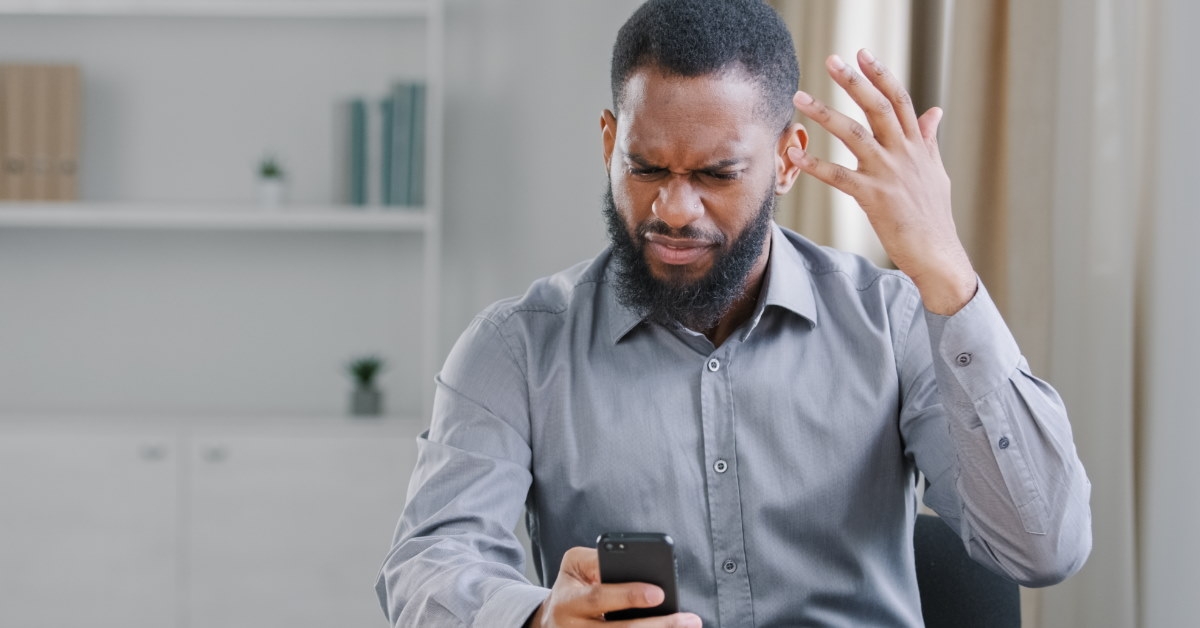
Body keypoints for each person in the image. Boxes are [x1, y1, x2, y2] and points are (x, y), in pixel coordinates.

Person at [376, 0, 1092, 626]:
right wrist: (537, 619)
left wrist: (946, 273)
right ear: (608, 143)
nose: (673, 210)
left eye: (717, 174)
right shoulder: (516, 348)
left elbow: (1045, 547)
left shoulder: (896, 322)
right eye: (646, 167)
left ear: (788, 158)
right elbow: (427, 565)